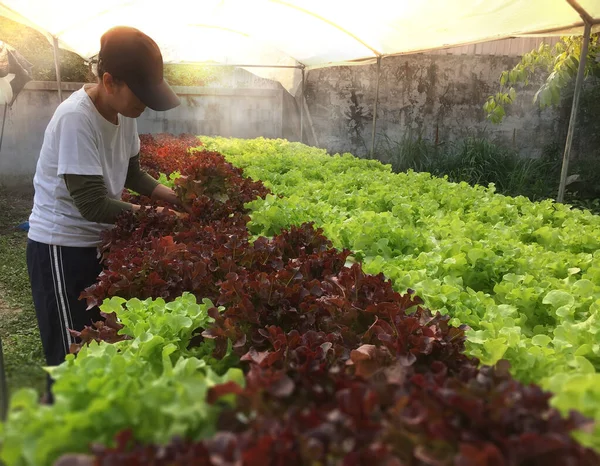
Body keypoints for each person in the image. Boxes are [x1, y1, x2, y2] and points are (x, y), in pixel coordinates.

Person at [26, 26, 185, 403]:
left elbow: (130, 173)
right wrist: (157, 217)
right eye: (140, 94)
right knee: (71, 356)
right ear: (109, 80)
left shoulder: (124, 113)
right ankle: (59, 439)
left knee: (98, 348)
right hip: (60, 249)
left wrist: (174, 197)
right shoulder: (75, 119)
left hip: (97, 241)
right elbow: (93, 203)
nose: (144, 105)